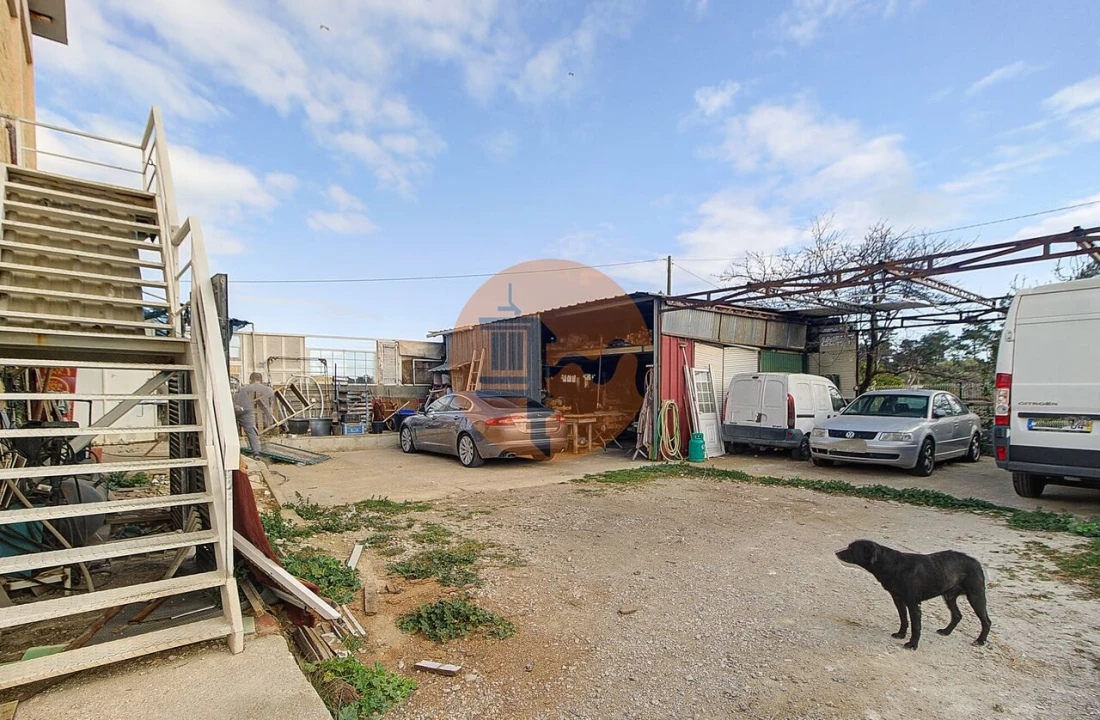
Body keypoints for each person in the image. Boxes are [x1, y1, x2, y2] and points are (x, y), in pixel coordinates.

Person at [235, 372, 275, 455]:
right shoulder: (270, 390)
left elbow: (239, 404)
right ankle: (259, 451)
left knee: (248, 428)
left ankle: (255, 452)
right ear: (262, 380)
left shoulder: (245, 389)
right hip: (265, 418)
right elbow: (271, 404)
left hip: (248, 414)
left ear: (250, 380)